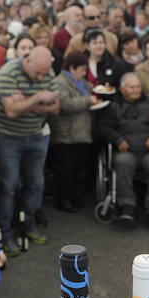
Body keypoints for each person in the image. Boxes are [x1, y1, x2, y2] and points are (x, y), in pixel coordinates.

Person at [0, 46, 58, 254]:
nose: (41, 77)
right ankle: (6, 235)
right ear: (27, 61)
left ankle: (28, 227)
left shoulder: (48, 72)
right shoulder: (7, 73)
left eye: (44, 74)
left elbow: (55, 108)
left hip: (36, 136)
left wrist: (27, 103)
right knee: (9, 186)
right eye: (37, 73)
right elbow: (11, 111)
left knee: (34, 184)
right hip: (8, 138)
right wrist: (39, 97)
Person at [94, 72, 149, 224]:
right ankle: (126, 206)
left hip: (148, 150)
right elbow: (102, 128)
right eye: (132, 87)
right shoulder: (113, 107)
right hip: (126, 150)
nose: (136, 90)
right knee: (123, 162)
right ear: (123, 90)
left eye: (138, 87)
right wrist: (118, 139)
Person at [51, 51, 99, 213]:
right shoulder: (60, 82)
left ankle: (74, 196)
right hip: (67, 133)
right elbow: (66, 104)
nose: (84, 73)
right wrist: (88, 100)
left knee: (78, 168)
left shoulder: (82, 82)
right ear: (72, 68)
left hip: (81, 132)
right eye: (82, 70)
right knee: (67, 169)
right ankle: (63, 199)